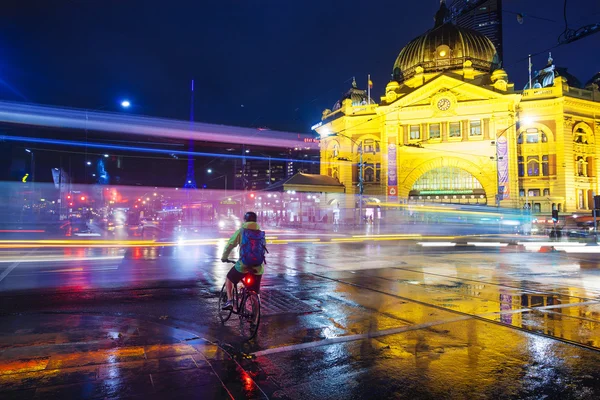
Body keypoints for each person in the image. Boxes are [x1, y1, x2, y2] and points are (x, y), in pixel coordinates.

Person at [220, 211, 265, 310]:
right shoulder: (260, 233)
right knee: (255, 292)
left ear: (245, 220)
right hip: (258, 267)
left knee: (229, 278)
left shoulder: (241, 231)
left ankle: (230, 301)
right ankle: (255, 316)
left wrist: (224, 257)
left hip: (243, 265)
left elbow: (229, 245)